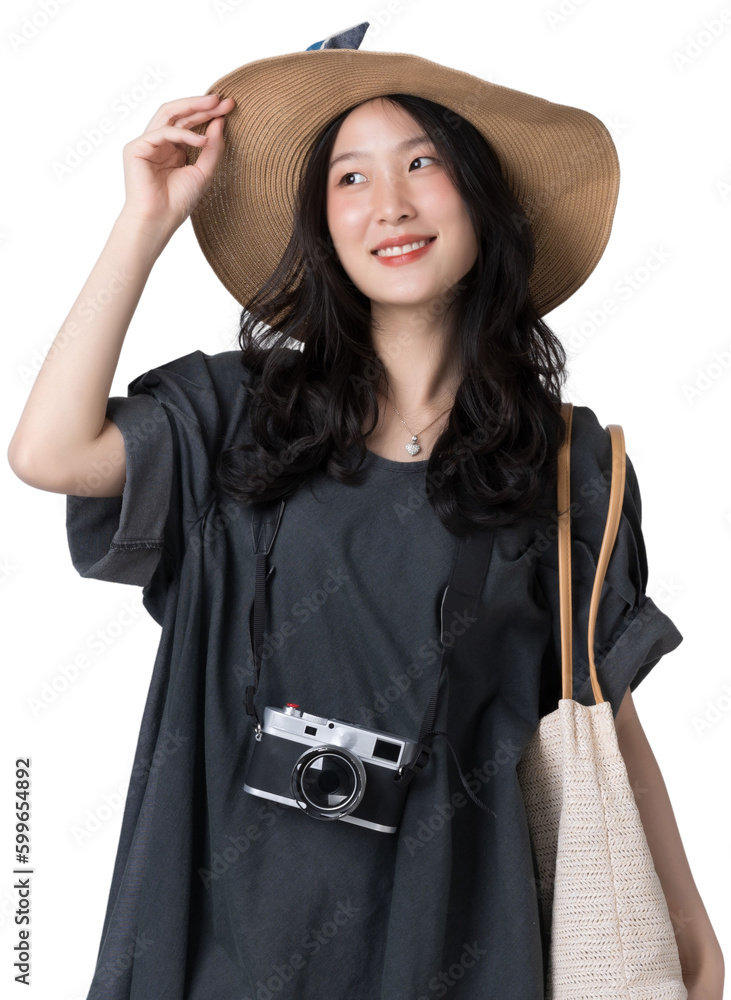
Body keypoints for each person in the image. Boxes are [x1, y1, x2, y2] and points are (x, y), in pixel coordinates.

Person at [7, 20, 724, 1000]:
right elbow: (47, 451)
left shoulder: (564, 466)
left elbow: (606, 722)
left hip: (453, 946)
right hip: (216, 953)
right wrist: (143, 223)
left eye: (420, 162)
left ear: (481, 196)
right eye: (348, 177)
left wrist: (687, 941)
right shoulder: (234, 419)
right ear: (320, 223)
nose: (387, 204)